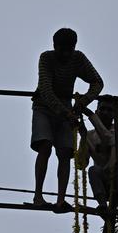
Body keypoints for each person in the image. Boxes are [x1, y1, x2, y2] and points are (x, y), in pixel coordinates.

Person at [31, 28, 104, 210]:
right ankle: (38, 196)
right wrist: (67, 113)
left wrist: (83, 102)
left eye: (68, 50)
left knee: (65, 153)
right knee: (45, 146)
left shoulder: (78, 59)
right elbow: (46, 90)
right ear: (54, 46)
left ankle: (60, 199)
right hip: (44, 108)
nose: (65, 54)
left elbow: (97, 82)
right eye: (61, 49)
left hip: (67, 111)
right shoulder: (46, 58)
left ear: (74, 48)